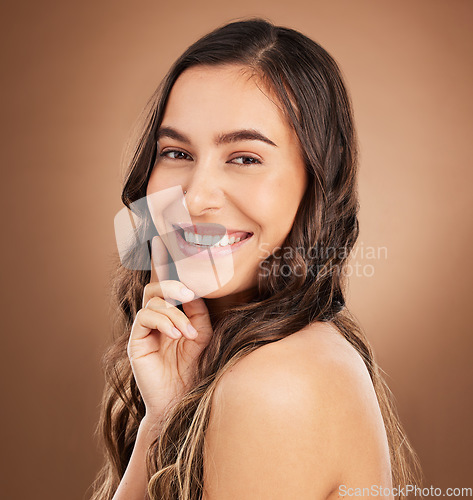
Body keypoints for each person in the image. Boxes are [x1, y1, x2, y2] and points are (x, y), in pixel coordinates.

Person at [90, 17, 422, 500]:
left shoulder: (276, 383)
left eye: (244, 158)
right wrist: (162, 422)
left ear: (316, 183)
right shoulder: (249, 357)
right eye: (177, 153)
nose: (197, 197)